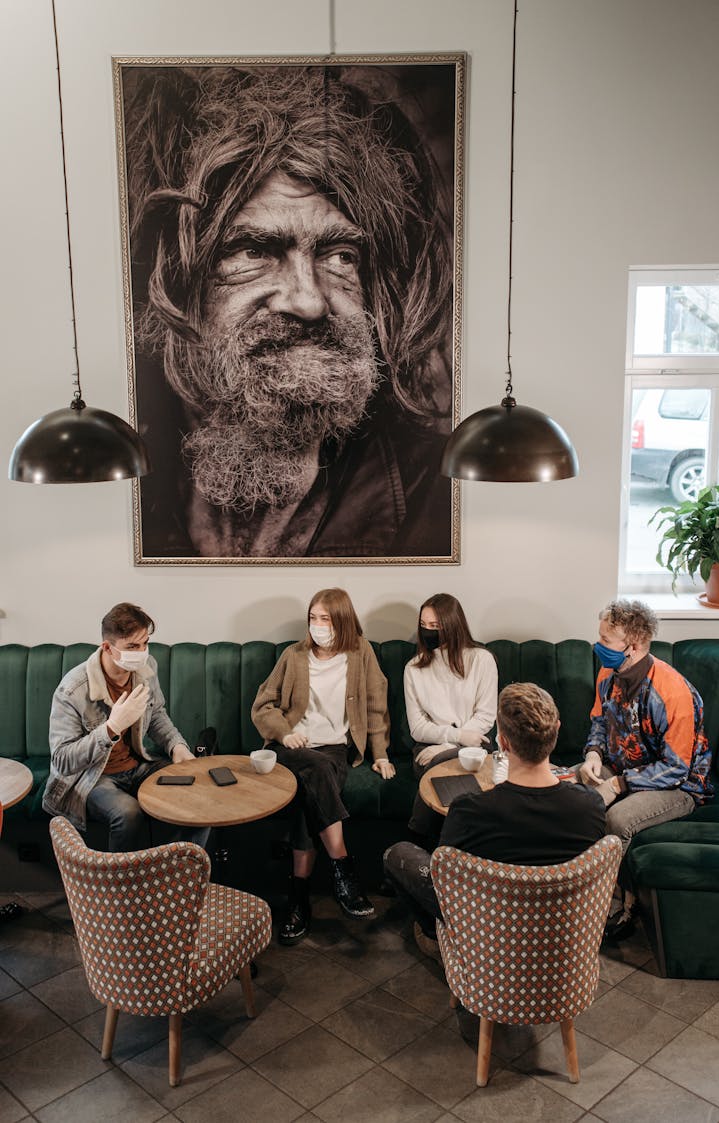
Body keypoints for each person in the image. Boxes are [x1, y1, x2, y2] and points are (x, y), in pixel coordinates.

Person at [121, 63, 456, 559]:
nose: (309, 300)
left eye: (341, 256)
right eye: (252, 252)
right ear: (169, 279)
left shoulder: (440, 493)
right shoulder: (122, 475)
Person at [384, 683, 606, 959]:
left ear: (502, 742)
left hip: (490, 930)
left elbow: (445, 878)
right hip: (561, 932)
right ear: (557, 730)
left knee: (397, 855)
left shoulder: (468, 810)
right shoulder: (591, 806)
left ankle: (439, 936)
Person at [251, 588, 395, 944]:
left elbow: (376, 707)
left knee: (310, 785)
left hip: (333, 750)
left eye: (325, 619)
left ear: (342, 621)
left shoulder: (362, 654)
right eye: (313, 618)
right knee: (312, 769)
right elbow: (263, 705)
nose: (317, 626)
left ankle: (299, 899)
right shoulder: (293, 655)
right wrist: (284, 734)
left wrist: (380, 754)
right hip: (291, 747)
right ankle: (343, 871)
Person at [581, 598, 713, 940]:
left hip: (677, 786)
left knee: (617, 820)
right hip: (621, 766)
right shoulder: (609, 673)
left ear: (634, 645)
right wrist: (593, 754)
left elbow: (676, 768)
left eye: (606, 642)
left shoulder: (673, 692)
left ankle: (618, 908)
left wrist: (618, 785)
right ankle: (571, 891)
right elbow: (598, 721)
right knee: (573, 797)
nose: (598, 647)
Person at [44, 603, 209, 852]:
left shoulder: (146, 667)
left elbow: (157, 715)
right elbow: (62, 760)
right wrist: (111, 729)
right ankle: (120, 887)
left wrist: (177, 747)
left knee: (201, 791)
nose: (142, 652)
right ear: (108, 648)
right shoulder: (72, 690)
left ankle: (175, 869)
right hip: (93, 778)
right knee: (128, 813)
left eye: (145, 643)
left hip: (138, 765)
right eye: (132, 646)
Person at [404, 593, 498, 841]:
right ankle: (449, 848)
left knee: (448, 766)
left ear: (453, 625)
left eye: (435, 626)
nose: (428, 631)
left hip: (476, 745)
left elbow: (486, 716)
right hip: (429, 749)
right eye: (424, 626)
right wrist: (456, 738)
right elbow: (418, 728)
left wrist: (449, 744)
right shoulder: (414, 669)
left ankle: (419, 839)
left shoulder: (482, 660)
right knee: (442, 766)